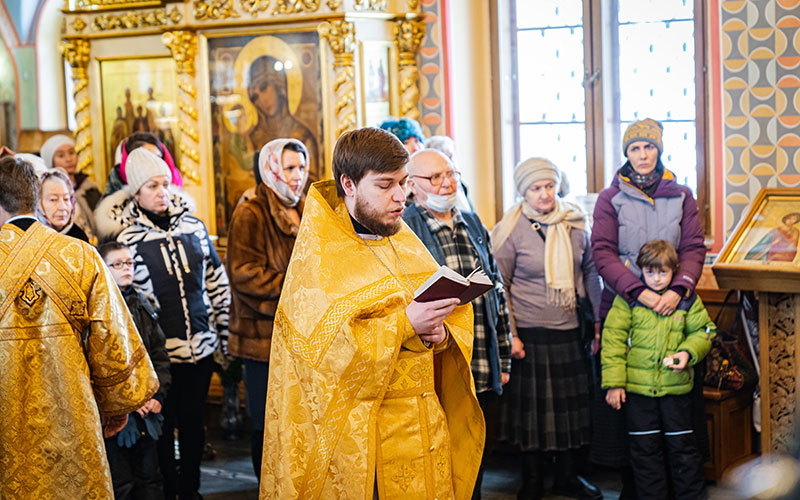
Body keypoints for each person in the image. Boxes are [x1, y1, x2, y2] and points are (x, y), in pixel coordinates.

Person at [260, 127, 484, 499]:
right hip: (367, 443)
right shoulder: (319, 260)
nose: (400, 197)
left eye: (403, 182)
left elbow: (444, 328)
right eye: (384, 186)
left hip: (425, 429)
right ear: (348, 184)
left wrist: (440, 334)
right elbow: (320, 358)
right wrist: (406, 323)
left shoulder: (404, 240)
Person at [0, 155, 159, 497]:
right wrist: (116, 404)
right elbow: (112, 337)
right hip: (71, 407)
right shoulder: (81, 255)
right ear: (35, 196)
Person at [95, 148, 230, 500]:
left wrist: (223, 335)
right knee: (163, 428)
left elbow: (216, 282)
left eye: (165, 184)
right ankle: (170, 490)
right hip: (162, 358)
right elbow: (129, 307)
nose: (161, 192)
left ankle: (192, 490)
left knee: (194, 427)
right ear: (136, 193)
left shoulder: (195, 228)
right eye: (152, 186)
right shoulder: (129, 239)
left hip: (201, 347)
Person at [590, 118, 707, 498]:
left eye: (649, 147)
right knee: (633, 414)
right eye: (635, 148)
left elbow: (692, 248)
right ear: (626, 154)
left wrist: (679, 288)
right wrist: (639, 291)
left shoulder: (682, 195)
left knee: (677, 414)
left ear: (659, 151)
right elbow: (602, 253)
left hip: (676, 302)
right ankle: (638, 489)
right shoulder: (611, 198)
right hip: (626, 301)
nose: (642, 155)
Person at [402, 149, 511, 499]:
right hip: (437, 359)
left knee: (473, 450)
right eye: (435, 177)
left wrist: (503, 357)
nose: (446, 182)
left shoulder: (472, 222)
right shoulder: (405, 227)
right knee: (438, 452)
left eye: (450, 173)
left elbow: (496, 288)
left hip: (480, 356)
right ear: (412, 186)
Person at [492, 158, 603, 500]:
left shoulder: (575, 223)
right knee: (533, 418)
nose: (544, 194)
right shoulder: (511, 229)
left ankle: (568, 478)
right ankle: (533, 481)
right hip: (529, 334)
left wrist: (598, 325)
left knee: (571, 414)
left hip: (570, 330)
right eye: (536, 188)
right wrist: (511, 334)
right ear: (524, 191)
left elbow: (590, 275)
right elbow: (501, 285)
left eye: (549, 186)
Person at [602, 239, 715, 500]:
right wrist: (614, 384)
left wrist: (688, 352)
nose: (655, 278)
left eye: (662, 272)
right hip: (638, 393)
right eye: (649, 271)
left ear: (673, 270)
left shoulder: (687, 301)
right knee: (645, 453)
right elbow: (613, 343)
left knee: (684, 450)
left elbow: (705, 331)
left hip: (675, 391)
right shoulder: (627, 301)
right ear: (640, 269)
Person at [226, 138, 309, 477]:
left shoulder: (304, 205)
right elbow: (244, 274)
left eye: (302, 167)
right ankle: (266, 486)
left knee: (296, 419)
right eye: (289, 167)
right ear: (271, 167)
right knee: (266, 421)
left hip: (300, 330)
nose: (297, 176)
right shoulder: (251, 209)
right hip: (263, 336)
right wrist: (293, 287)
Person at [100, 241, 172, 500]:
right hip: (118, 415)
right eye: (117, 264)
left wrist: (157, 395)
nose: (125, 268)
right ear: (104, 268)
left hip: (148, 409)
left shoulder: (143, 304)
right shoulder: (99, 309)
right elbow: (102, 365)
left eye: (128, 262)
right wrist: (127, 403)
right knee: (122, 484)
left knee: (151, 480)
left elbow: (158, 355)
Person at [247, 55, 320, 179]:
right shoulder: (252, 139)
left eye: (264, 88)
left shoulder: (303, 135)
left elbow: (313, 184)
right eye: (255, 97)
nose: (262, 101)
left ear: (280, 87)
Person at [40, 134, 102, 242]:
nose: (68, 159)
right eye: (61, 155)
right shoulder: (42, 188)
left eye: (71, 153)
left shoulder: (89, 187)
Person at [102, 132, 183, 199]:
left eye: (158, 158)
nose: (155, 164)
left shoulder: (176, 200)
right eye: (147, 158)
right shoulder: (112, 209)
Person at [36, 168, 89, 242]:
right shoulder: (32, 239)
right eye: (53, 199)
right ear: (38, 204)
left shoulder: (79, 238)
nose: (63, 207)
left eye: (66, 199)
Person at [425, 135, 475, 213]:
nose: (450, 163)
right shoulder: (435, 192)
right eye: (444, 158)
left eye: (451, 157)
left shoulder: (461, 186)